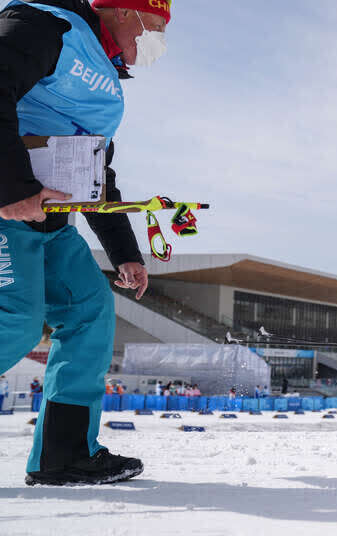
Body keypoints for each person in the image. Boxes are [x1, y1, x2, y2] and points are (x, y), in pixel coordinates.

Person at [0, 0, 173, 486]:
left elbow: (97, 174)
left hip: (49, 219)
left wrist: (125, 255)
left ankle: (65, 455)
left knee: (90, 311)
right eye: (156, 28)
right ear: (123, 11)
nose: (158, 43)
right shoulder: (44, 24)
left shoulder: (106, 87)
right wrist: (11, 189)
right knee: (15, 320)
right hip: (7, 207)